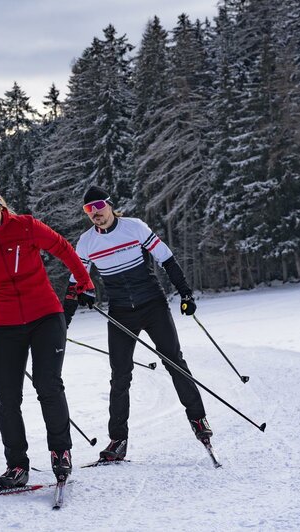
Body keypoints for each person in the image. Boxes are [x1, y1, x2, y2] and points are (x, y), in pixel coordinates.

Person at [0, 177, 95, 486]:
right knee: (6, 398)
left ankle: (60, 452)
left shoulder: (26, 226)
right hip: (6, 324)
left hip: (45, 315)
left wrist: (84, 282)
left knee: (48, 385)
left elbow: (61, 247)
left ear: (0, 205)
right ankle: (17, 466)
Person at [64, 185, 213, 463]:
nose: (95, 213)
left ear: (110, 205)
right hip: (120, 312)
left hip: (152, 305)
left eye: (99, 207)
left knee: (174, 362)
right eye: (88, 209)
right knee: (120, 376)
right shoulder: (86, 242)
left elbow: (166, 259)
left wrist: (185, 293)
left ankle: (198, 420)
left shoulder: (134, 227)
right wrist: (65, 321)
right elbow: (76, 282)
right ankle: (118, 440)